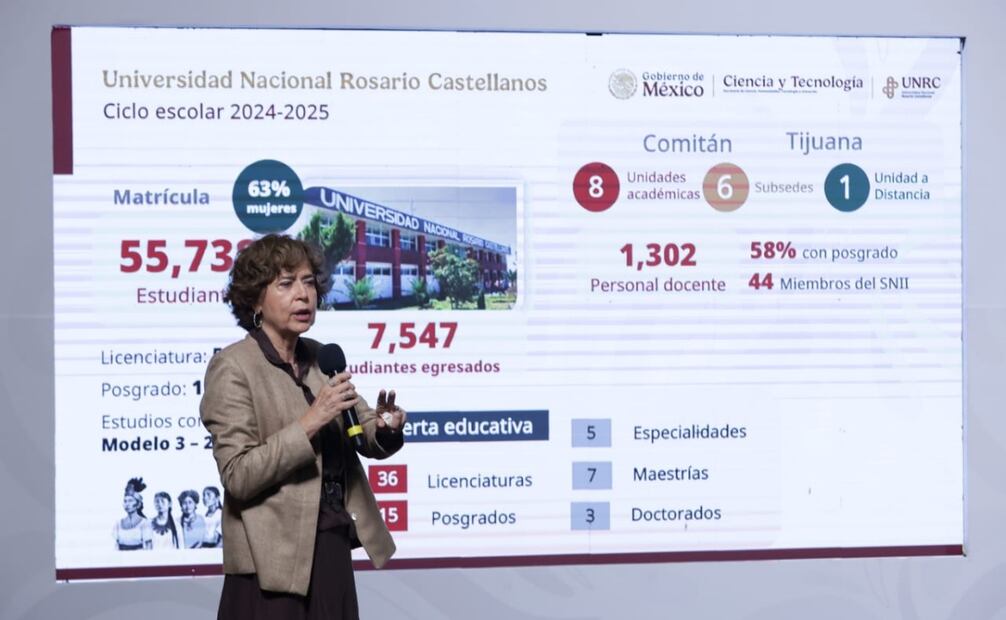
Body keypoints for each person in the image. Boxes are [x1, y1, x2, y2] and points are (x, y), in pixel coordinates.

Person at [200, 233, 406, 619]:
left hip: (330, 542)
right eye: (286, 283)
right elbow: (239, 475)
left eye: (309, 282)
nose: (303, 295)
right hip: (269, 560)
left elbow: (361, 428)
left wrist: (385, 428)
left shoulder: (322, 357)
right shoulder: (233, 367)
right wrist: (310, 422)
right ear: (255, 299)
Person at [113, 477, 152, 550]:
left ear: (138, 504)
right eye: (125, 501)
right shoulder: (118, 524)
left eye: (130, 501)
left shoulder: (145, 523)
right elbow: (115, 546)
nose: (127, 504)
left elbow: (149, 547)